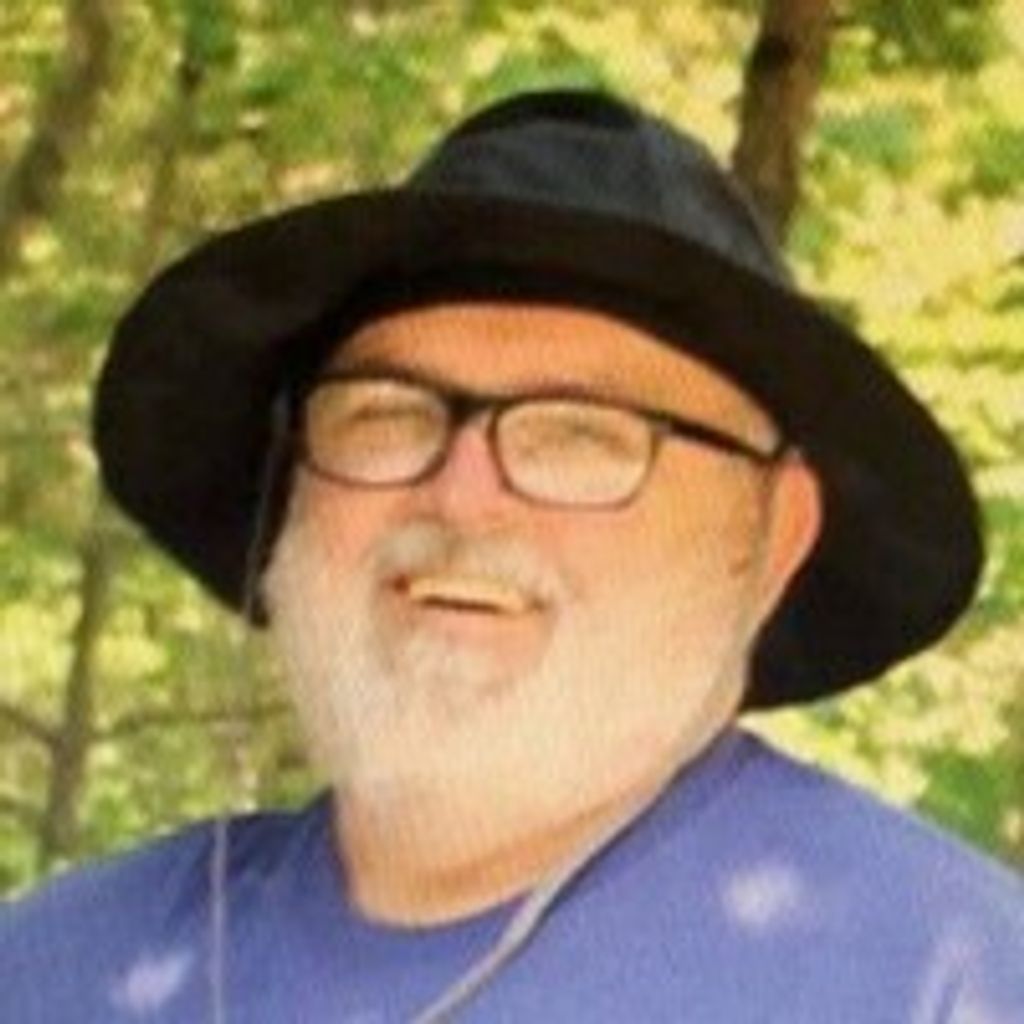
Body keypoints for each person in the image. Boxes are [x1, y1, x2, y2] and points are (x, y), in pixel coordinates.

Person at [3, 88, 1022, 1023]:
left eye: (579, 436)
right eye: (385, 416)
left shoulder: (943, 981)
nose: (460, 496)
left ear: (772, 534)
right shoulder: (54, 970)